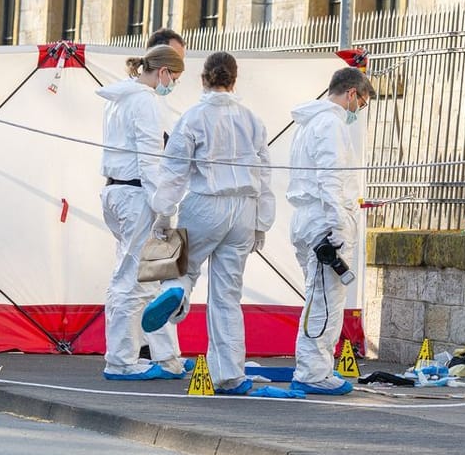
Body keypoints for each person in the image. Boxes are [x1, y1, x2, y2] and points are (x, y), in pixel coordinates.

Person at [143, 52, 275, 394]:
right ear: (234, 80)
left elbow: (174, 173)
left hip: (205, 202)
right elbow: (265, 173)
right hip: (244, 208)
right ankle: (230, 374)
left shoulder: (192, 118)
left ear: (203, 79)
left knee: (179, 267)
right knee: (228, 294)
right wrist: (261, 223)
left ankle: (175, 290)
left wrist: (163, 213)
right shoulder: (253, 120)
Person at [95, 43, 185, 380]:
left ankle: (155, 356)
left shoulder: (119, 100)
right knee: (134, 279)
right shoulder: (146, 102)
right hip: (137, 195)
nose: (172, 84)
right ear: (162, 72)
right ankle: (121, 360)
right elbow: (150, 159)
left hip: (115, 191)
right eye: (174, 77)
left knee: (131, 276)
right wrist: (164, 209)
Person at [284, 66, 373, 396]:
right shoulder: (331, 124)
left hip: (308, 218)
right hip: (324, 221)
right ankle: (313, 371)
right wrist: (338, 224)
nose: (358, 111)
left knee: (316, 296)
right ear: (352, 93)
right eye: (361, 103)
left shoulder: (308, 124)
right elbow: (330, 179)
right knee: (324, 301)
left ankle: (312, 367)